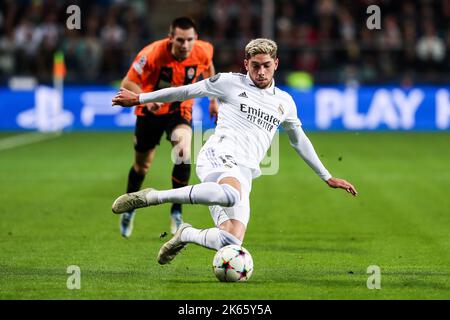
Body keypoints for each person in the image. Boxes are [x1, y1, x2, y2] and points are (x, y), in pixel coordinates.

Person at [111, 38, 357, 265]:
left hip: (244, 172)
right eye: (255, 66)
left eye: (267, 66)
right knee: (230, 194)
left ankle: (186, 234)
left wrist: (327, 176)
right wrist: (140, 99)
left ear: (276, 64)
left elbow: (298, 140)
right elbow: (185, 91)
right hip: (218, 155)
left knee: (232, 239)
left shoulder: (285, 102)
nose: (261, 72)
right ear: (246, 64)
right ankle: (154, 197)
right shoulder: (228, 83)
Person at [119, 17, 218, 238]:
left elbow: (209, 67)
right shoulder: (151, 54)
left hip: (179, 108)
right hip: (150, 111)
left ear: (196, 39)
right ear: (170, 37)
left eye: (190, 40)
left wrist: (213, 100)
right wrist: (145, 99)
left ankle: (176, 210)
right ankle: (130, 207)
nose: (185, 45)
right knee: (142, 166)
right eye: (180, 40)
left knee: (183, 152)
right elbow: (127, 83)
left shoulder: (203, 50)